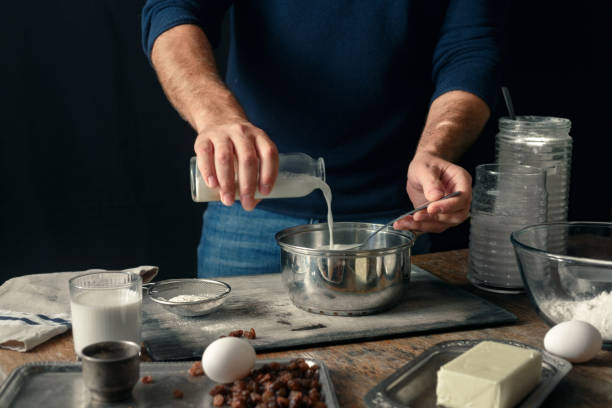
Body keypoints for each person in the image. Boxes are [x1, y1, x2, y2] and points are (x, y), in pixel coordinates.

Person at [141, 1, 503, 277]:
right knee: (232, 365)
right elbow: (172, 10)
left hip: (392, 218)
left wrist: (435, 150)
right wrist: (218, 117)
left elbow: (469, 48)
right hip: (247, 208)